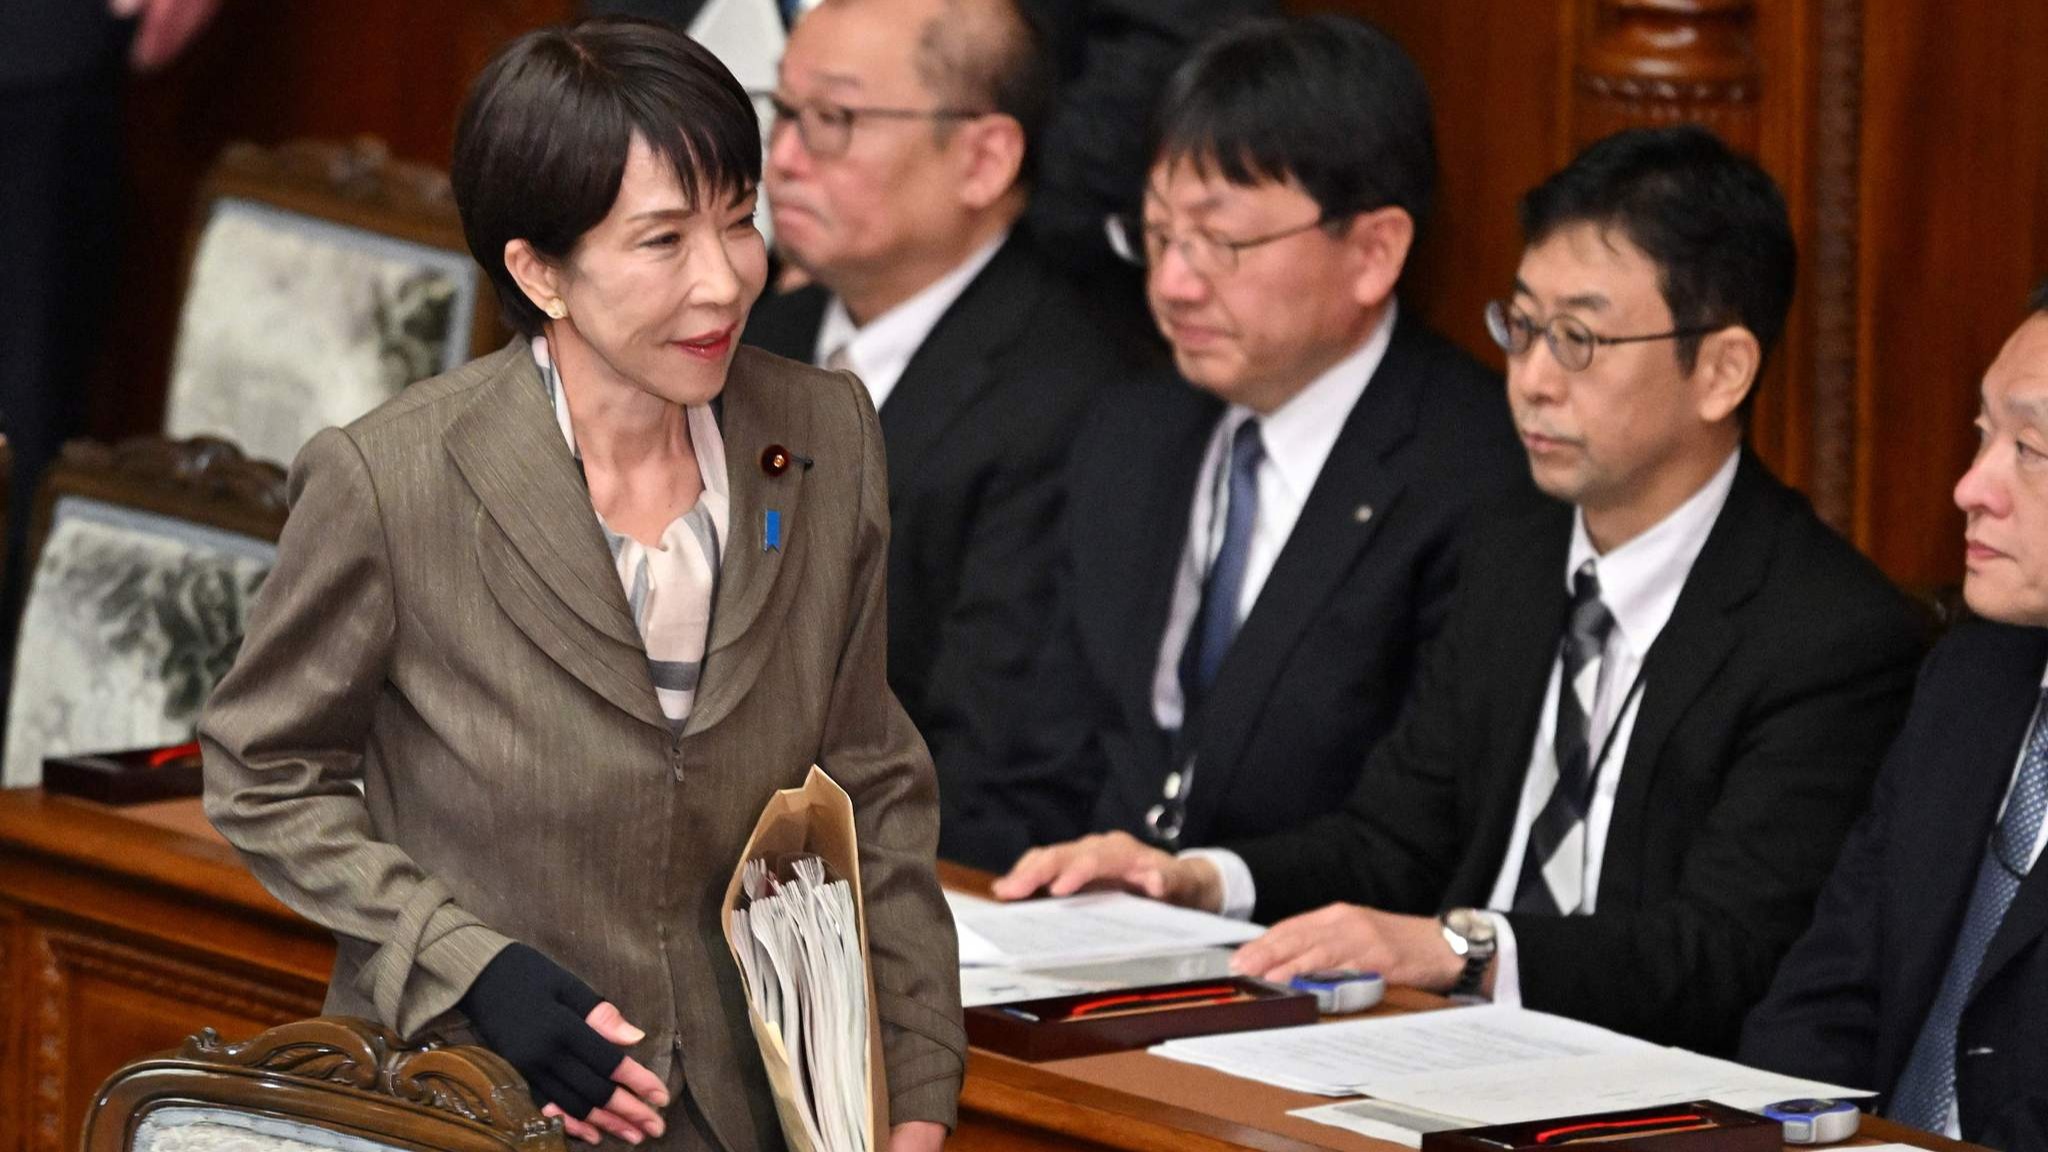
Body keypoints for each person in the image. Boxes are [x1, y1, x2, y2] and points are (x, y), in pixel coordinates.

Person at [996, 125, 1926, 1056]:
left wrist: (1465, 948)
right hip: (1445, 1062)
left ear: (1722, 370)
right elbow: (1389, 841)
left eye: (1580, 340)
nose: (1531, 380)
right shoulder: (1512, 553)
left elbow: (1726, 951)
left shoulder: (1827, 634)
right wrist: (1193, 880)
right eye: (1522, 328)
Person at [200, 20, 960, 1152]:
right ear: (537, 269)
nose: (722, 279)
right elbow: (263, 773)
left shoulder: (823, 436)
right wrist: (467, 960)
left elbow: (869, 783)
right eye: (662, 240)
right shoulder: (393, 475)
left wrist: (911, 1097)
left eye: (738, 220)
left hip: (753, 1113)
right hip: (468, 1098)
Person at [941, 14, 1528, 871]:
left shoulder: (1475, 472)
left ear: (1373, 251)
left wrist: (1204, 888)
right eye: (1158, 235)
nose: (1175, 284)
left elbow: (1423, 834)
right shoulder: (1131, 434)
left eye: (1223, 242)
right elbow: (1043, 754)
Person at [742, 0, 1126, 821]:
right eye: (784, 112)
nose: (783, 160)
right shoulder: (750, 333)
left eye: (836, 120)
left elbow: (993, 759)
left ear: (984, 160)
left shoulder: (1071, 398)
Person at [1741, 283, 2048, 1150]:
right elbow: (1826, 991)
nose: (1969, 487)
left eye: (2030, 448)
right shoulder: (1972, 672)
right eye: (1983, 435)